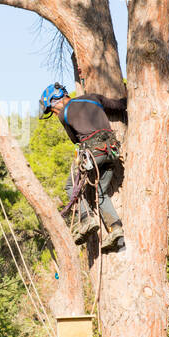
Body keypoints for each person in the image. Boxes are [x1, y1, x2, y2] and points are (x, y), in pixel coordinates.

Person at [39, 83, 126, 249]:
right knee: (100, 193)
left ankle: (86, 219)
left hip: (93, 152)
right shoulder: (93, 98)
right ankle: (116, 229)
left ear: (56, 101)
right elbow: (119, 105)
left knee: (71, 186)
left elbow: (75, 139)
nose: (55, 113)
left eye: (53, 109)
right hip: (111, 151)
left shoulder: (63, 114)